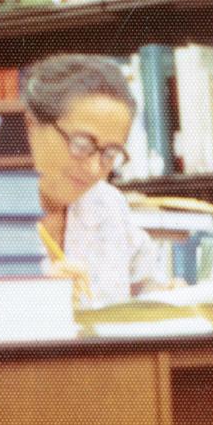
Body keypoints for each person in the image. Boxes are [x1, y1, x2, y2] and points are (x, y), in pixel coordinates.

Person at [25, 54, 170, 306]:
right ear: (30, 126)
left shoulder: (106, 202)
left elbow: (149, 286)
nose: (94, 169)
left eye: (110, 153)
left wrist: (169, 296)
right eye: (81, 144)